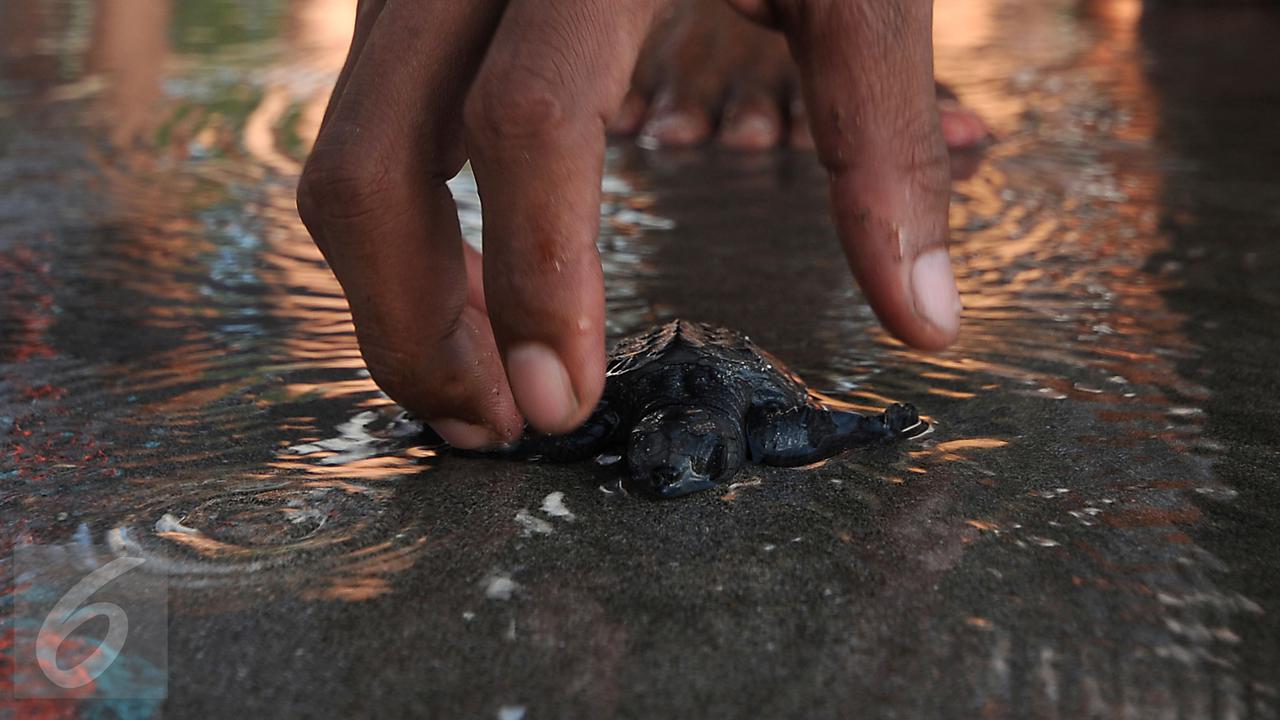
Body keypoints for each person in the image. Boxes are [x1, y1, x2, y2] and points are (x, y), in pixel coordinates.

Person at [295, 0, 989, 449]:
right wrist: (879, 428)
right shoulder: (760, 424)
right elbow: (820, 425)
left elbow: (824, 426)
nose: (664, 475)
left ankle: (741, 18)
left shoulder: (748, 427)